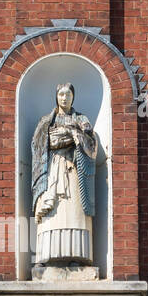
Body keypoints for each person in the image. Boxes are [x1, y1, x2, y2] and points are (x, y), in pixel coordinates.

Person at [31, 83, 97, 266]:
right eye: (61, 94)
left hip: (75, 171)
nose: (64, 98)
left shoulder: (82, 120)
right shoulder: (47, 121)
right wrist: (70, 136)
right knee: (53, 215)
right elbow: (41, 143)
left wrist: (71, 135)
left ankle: (77, 255)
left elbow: (91, 142)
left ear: (73, 97)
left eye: (68, 94)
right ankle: (46, 256)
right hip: (52, 171)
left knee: (75, 211)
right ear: (56, 97)